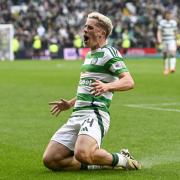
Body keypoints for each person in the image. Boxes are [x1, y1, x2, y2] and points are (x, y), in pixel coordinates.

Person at [43, 12, 141, 171]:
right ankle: (97, 163)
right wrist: (69, 103)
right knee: (51, 160)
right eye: (84, 27)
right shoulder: (89, 55)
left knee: (82, 153)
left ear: (101, 32)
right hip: (77, 114)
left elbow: (129, 81)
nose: (84, 30)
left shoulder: (110, 52)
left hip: (95, 114)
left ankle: (122, 159)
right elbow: (88, 88)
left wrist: (108, 86)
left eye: (89, 27)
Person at [157, 10, 178, 75]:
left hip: (172, 40)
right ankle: (166, 69)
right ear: (165, 15)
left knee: (172, 53)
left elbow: (175, 32)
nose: (168, 15)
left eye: (169, 14)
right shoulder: (162, 22)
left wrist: (177, 40)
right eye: (167, 14)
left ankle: (172, 68)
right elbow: (159, 31)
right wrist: (159, 39)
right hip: (164, 40)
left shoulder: (174, 22)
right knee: (165, 54)